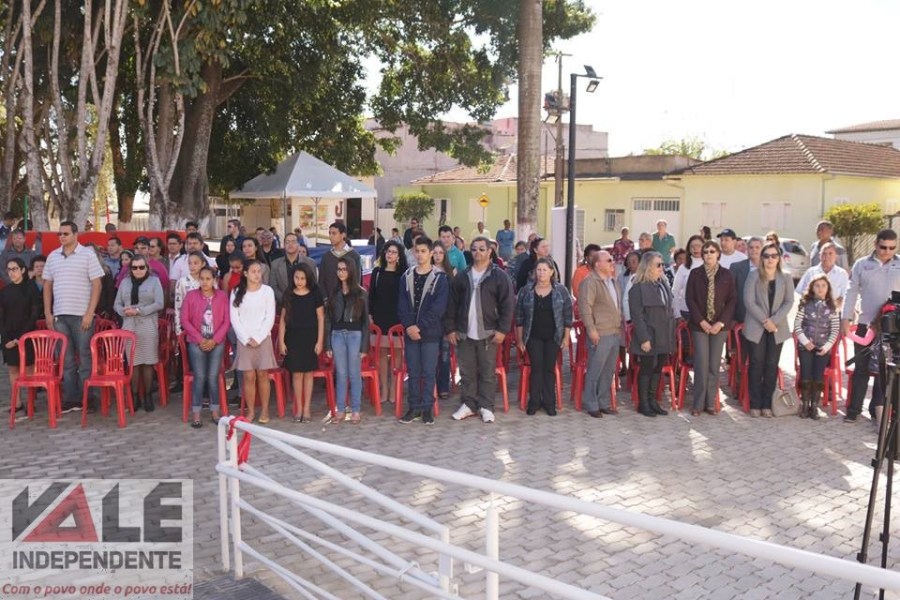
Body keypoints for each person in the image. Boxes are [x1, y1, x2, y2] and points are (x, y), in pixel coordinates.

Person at [445, 236, 515, 423]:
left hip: (489, 333)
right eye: (474, 249)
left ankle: (486, 406)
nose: (477, 252)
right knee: (466, 372)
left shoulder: (499, 276)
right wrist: (450, 329)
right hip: (464, 333)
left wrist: (502, 330)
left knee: (487, 372)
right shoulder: (462, 276)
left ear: (490, 251)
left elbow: (508, 305)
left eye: (482, 249)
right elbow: (452, 305)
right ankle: (468, 404)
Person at [43, 220, 104, 413]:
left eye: (66, 233)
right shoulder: (52, 256)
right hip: (60, 316)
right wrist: (48, 313)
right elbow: (47, 285)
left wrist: (89, 313)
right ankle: (71, 399)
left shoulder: (87, 254)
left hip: (82, 316)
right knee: (66, 359)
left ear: (76, 235)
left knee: (85, 357)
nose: (61, 237)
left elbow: (97, 285)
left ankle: (88, 397)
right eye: (59, 234)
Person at [842, 229, 900, 423]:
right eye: (883, 247)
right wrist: (845, 318)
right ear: (875, 244)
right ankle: (854, 410)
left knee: (885, 371)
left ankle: (877, 410)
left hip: (891, 328)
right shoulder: (861, 264)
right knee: (861, 369)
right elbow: (851, 291)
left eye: (892, 248)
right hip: (865, 325)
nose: (887, 251)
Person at [398, 236, 449, 424]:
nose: (419, 255)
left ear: (431, 253)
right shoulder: (406, 276)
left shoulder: (440, 278)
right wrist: (409, 326)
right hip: (411, 333)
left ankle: (427, 408)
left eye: (423, 251)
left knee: (428, 372)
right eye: (417, 251)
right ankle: (413, 407)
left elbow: (438, 308)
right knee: (413, 372)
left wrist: (419, 326)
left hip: (430, 333)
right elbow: (402, 305)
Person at [743, 242, 794, 417]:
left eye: (774, 255)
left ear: (779, 258)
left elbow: (789, 301)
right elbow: (749, 301)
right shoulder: (753, 276)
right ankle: (755, 404)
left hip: (777, 328)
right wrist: (766, 321)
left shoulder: (786, 277)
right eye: (766, 256)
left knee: (771, 365)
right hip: (756, 326)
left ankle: (767, 404)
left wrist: (774, 321)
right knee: (756, 364)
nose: (770, 259)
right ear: (762, 258)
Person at [515, 257, 572, 416]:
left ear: (552, 272)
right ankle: (534, 402)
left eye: (545, 270)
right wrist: (520, 339)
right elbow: (519, 317)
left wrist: (566, 337)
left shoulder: (561, 291)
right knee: (536, 368)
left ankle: (549, 402)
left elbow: (568, 316)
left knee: (549, 369)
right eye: (538, 270)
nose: (541, 273)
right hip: (533, 336)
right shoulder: (526, 291)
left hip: (554, 336)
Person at [686, 240, 737, 416]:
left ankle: (710, 403)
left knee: (714, 366)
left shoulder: (727, 274)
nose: (708, 254)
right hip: (700, 326)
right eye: (705, 251)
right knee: (701, 364)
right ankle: (698, 404)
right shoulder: (695, 274)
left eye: (712, 251)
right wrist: (702, 321)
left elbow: (732, 300)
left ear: (718, 254)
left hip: (719, 327)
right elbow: (690, 299)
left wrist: (720, 323)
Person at [114, 255, 165, 412]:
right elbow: (116, 303)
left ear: (147, 268)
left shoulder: (154, 281)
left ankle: (148, 396)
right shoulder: (125, 282)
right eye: (134, 267)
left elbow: (159, 303)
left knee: (148, 361)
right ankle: (135, 396)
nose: (138, 270)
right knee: (134, 362)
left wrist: (139, 310)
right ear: (130, 269)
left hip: (147, 324)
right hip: (129, 325)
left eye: (141, 267)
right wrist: (124, 311)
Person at [181, 266, 229, 427]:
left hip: (217, 342)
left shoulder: (222, 296)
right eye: (202, 279)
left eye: (208, 279)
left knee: (213, 376)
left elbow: (226, 321)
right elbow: (184, 320)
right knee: (200, 376)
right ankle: (196, 413)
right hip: (196, 342)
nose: (205, 282)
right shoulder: (191, 296)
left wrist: (215, 340)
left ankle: (215, 411)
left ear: (214, 280)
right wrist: (199, 338)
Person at [629, 251, 675, 417]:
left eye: (662, 264)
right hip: (649, 335)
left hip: (663, 335)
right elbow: (637, 316)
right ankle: (643, 404)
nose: (661, 268)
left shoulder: (663, 284)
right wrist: (644, 339)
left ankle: (653, 400)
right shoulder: (638, 288)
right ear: (648, 266)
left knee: (658, 368)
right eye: (658, 265)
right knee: (647, 368)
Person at [230, 260, 277, 424]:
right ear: (245, 273)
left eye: (259, 271)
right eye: (253, 271)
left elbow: (269, 316)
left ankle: (265, 410)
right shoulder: (236, 292)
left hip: (263, 338)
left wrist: (258, 337)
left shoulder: (267, 291)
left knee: (263, 375)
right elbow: (234, 318)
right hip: (244, 340)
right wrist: (245, 338)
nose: (257, 275)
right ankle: (250, 411)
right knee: (248, 376)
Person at [325, 257, 370, 423]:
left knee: (354, 373)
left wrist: (364, 347)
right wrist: (327, 344)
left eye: (344, 269)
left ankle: (356, 409)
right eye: (339, 269)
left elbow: (365, 321)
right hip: (337, 335)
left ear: (351, 270)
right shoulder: (334, 293)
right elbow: (328, 320)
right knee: (341, 373)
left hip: (354, 335)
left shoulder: (361, 293)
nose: (341, 272)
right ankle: (340, 409)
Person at [278, 263, 324, 424]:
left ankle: (307, 408)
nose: (299, 281)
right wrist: (281, 341)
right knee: (296, 373)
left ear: (308, 278)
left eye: (303, 278)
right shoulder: (289, 294)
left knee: (308, 373)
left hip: (310, 337)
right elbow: (283, 320)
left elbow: (320, 318)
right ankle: (298, 408)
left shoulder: (315, 294)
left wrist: (320, 341)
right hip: (293, 337)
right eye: (296, 278)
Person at [578, 250, 622, 418]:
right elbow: (585, 308)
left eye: (612, 259)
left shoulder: (613, 281)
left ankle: (603, 403)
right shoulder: (589, 282)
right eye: (608, 260)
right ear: (597, 264)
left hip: (614, 331)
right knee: (595, 370)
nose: (612, 262)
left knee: (608, 371)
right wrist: (591, 329)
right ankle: (591, 403)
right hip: (600, 333)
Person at [793, 275, 840, 420]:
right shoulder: (805, 305)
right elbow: (797, 325)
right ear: (812, 288)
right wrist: (805, 342)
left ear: (828, 288)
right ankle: (805, 404)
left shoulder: (832, 308)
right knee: (806, 374)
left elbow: (835, 330)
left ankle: (814, 405)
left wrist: (827, 346)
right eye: (817, 286)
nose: (820, 289)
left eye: (823, 286)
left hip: (822, 348)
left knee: (818, 376)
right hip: (806, 346)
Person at [0, 257, 41, 417]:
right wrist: (6, 339)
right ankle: (17, 402)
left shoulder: (31, 289)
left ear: (23, 270)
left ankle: (31, 402)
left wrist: (20, 337)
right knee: (13, 369)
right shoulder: (5, 291)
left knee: (29, 368)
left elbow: (34, 315)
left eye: (15, 269)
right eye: (9, 269)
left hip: (26, 335)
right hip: (8, 336)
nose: (11, 273)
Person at [368, 240, 407, 404]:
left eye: (394, 252)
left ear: (399, 256)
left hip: (397, 318)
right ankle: (384, 387)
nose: (390, 254)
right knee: (382, 354)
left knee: (397, 354)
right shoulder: (377, 272)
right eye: (388, 251)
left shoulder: (404, 274)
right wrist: (370, 315)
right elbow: (371, 296)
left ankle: (394, 388)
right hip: (380, 317)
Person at [796, 242, 849, 312]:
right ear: (819, 256)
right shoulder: (811, 272)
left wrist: (830, 310)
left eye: (830, 253)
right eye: (824, 254)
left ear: (836, 256)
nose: (827, 257)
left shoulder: (842, 274)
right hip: (812, 313)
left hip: (834, 312)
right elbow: (799, 292)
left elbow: (845, 296)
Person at [269, 232, 317, 309]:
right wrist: (285, 299)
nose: (290, 244)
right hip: (283, 306)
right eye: (287, 242)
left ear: (298, 245)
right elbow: (273, 286)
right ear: (284, 245)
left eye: (293, 242)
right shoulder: (275, 264)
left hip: (305, 304)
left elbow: (313, 285)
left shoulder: (310, 263)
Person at [319, 222, 362, 303]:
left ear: (343, 235)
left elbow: (357, 281)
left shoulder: (354, 256)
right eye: (329, 233)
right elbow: (321, 281)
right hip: (330, 302)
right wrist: (325, 298)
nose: (330, 236)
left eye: (334, 233)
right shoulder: (326, 257)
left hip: (349, 302)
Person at [730, 236, 764, 327]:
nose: (754, 250)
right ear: (747, 249)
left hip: (765, 320)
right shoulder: (736, 268)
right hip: (741, 319)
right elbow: (730, 294)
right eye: (751, 247)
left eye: (757, 247)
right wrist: (732, 318)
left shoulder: (770, 268)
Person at [173, 251, 206, 336]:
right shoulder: (182, 282)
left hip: (206, 325)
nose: (192, 266)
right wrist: (178, 330)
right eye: (190, 263)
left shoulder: (208, 281)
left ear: (203, 264)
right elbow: (178, 306)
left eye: (195, 263)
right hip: (188, 325)